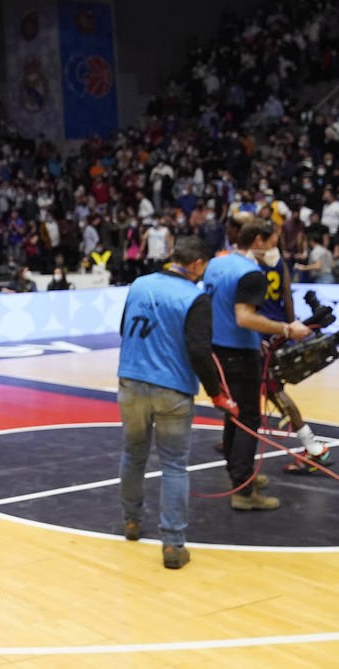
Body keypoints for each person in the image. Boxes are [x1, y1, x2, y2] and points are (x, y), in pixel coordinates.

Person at [116, 237, 233, 569]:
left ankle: (132, 523)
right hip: (172, 389)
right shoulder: (196, 297)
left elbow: (124, 328)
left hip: (131, 382)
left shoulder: (139, 283)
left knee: (133, 453)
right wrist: (217, 392)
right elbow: (199, 351)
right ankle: (172, 544)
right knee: (174, 465)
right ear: (196, 263)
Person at [203, 219, 313, 510]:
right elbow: (244, 317)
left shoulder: (217, 263)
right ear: (259, 241)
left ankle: (238, 474)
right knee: (249, 420)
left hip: (216, 350)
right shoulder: (251, 273)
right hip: (238, 355)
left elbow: (221, 307)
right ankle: (243, 490)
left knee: (233, 414)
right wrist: (287, 329)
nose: (276, 247)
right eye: (274, 240)